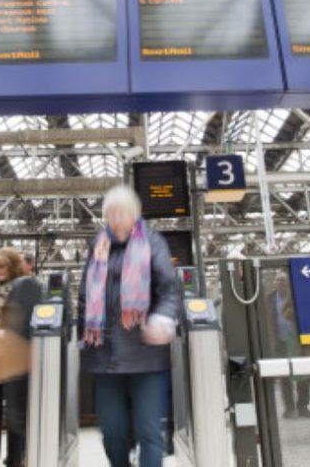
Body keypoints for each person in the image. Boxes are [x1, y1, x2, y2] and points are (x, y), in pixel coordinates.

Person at [78, 184, 181, 467]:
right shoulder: (97, 245)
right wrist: (81, 337)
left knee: (149, 430)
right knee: (112, 431)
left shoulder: (152, 242)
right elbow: (85, 296)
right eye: (112, 212)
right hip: (105, 356)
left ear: (135, 214)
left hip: (145, 354)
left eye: (123, 212)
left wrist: (162, 317)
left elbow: (169, 291)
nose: (117, 218)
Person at [0, 248, 43, 467]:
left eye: (2, 266)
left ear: (12, 266)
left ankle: (15, 461)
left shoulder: (26, 289)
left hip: (16, 359)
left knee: (16, 417)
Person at [268, 274, 310, 419]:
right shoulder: (270, 299)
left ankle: (303, 406)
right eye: (277, 280)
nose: (280, 282)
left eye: (283, 280)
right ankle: (289, 408)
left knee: (302, 375)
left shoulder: (295, 295)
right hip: (280, 342)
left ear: (288, 282)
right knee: (284, 377)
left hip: (296, 341)